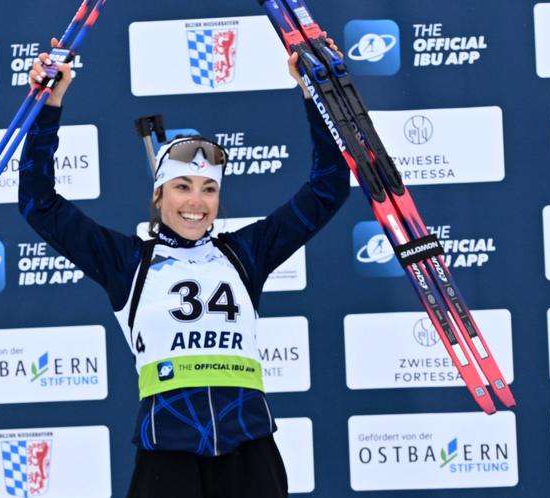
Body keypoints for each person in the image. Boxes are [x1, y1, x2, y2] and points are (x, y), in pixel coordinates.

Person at [18, 37, 350, 498]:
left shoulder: (245, 253)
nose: (196, 201)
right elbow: (39, 204)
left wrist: (316, 94)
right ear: (158, 196)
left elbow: (328, 190)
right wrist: (48, 105)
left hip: (248, 448)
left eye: (208, 189)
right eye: (182, 186)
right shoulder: (127, 262)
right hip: (167, 451)